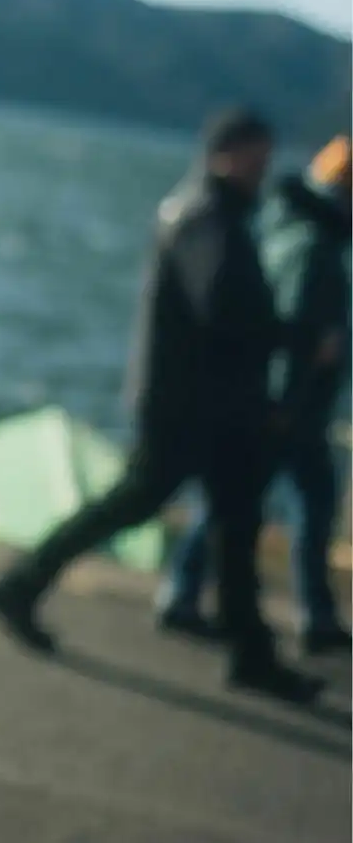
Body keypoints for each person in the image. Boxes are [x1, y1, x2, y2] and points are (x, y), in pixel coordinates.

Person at [0, 108, 324, 704]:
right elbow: (223, 309)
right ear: (227, 154)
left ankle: (250, 652)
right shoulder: (204, 219)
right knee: (158, 507)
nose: (263, 171)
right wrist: (293, 336)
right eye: (256, 158)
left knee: (226, 523)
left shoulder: (207, 215)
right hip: (194, 406)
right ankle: (21, 584)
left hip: (203, 403)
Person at [156, 134, 352, 656]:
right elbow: (293, 326)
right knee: (261, 505)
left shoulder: (289, 230)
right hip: (293, 406)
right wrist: (287, 401)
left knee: (253, 502)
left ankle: (192, 595)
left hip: (287, 403)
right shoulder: (314, 246)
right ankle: (298, 618)